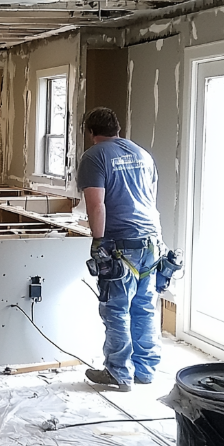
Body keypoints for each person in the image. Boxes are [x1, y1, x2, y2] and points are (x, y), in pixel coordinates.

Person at [77, 107, 163, 393]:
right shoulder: (142, 154)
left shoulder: (94, 156)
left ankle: (118, 372)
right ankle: (146, 369)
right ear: (118, 129)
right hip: (150, 241)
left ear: (91, 133)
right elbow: (150, 198)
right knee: (144, 306)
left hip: (120, 243)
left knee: (116, 308)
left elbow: (96, 203)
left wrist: (98, 241)